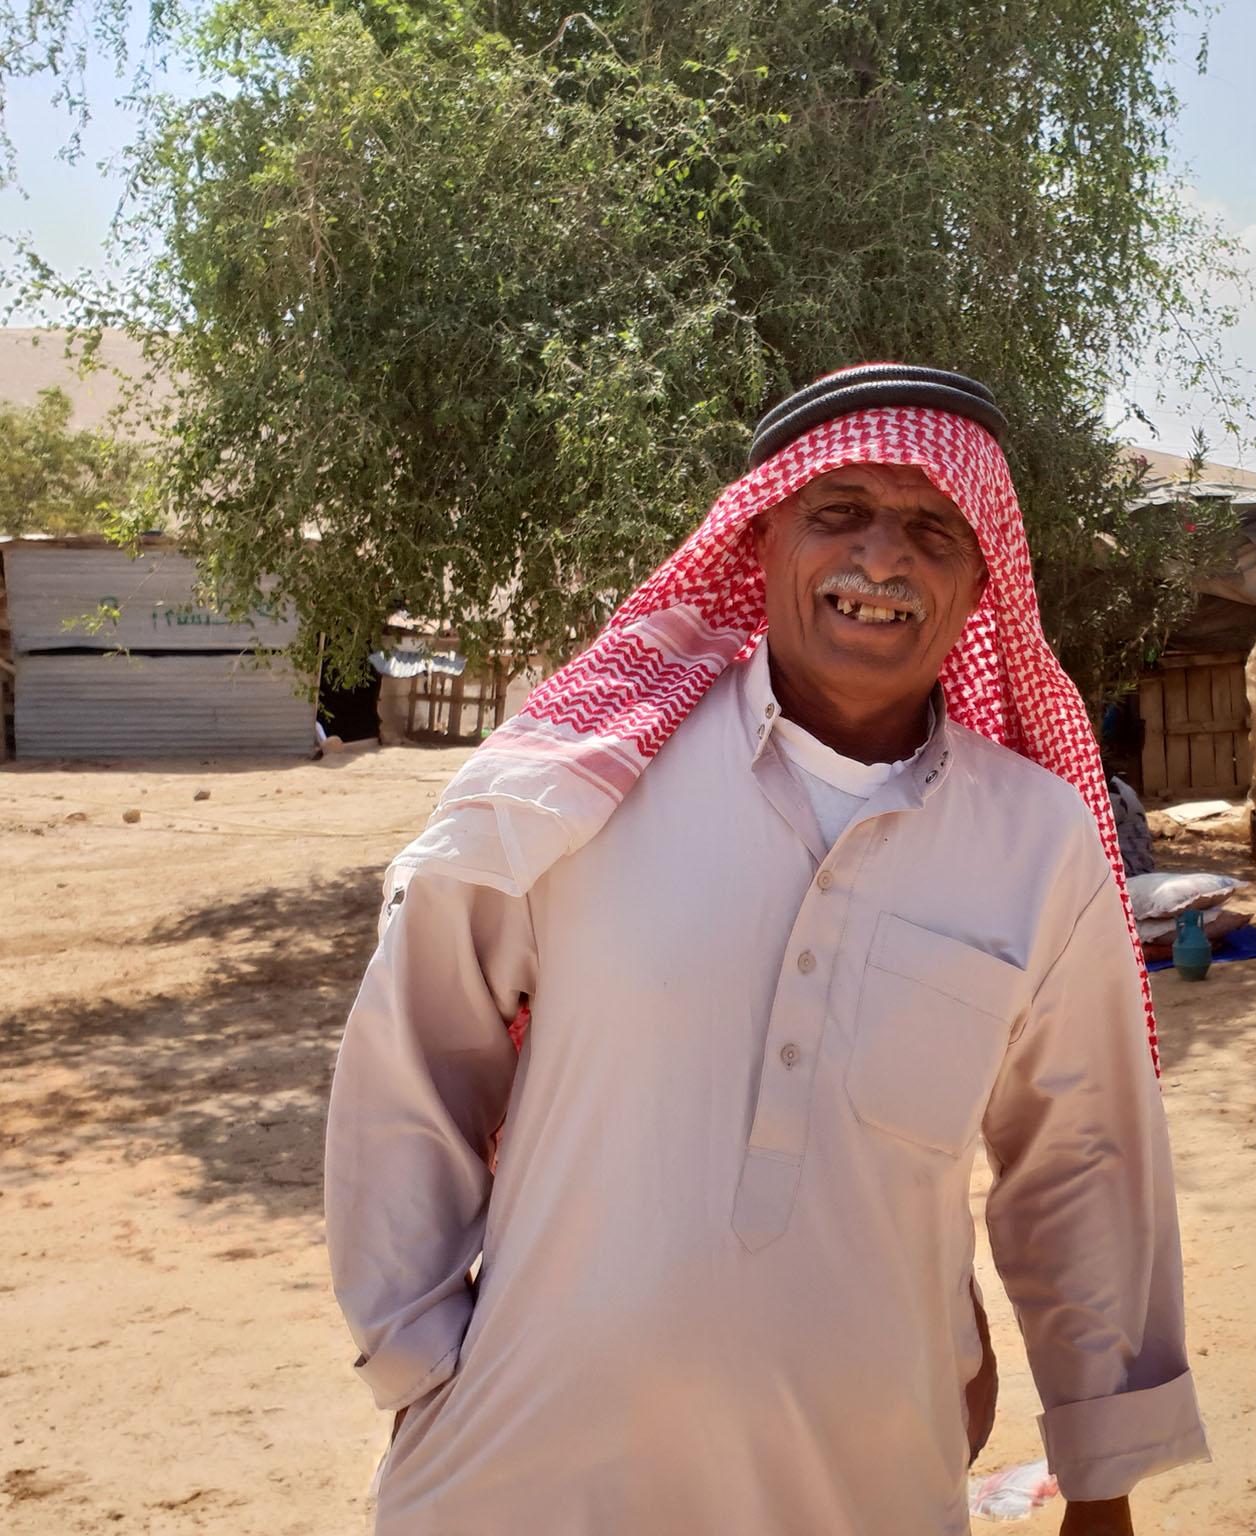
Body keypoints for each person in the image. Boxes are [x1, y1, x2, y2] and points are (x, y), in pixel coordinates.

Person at [325, 365, 1208, 1535]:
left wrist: (1100, 1483)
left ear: (977, 576)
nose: (881, 559)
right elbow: (413, 1066)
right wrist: (417, 1362)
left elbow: (1081, 1161)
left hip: (866, 1477)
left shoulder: (1032, 839)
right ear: (762, 535)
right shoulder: (578, 781)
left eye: (931, 530)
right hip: (521, 1467)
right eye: (837, 513)